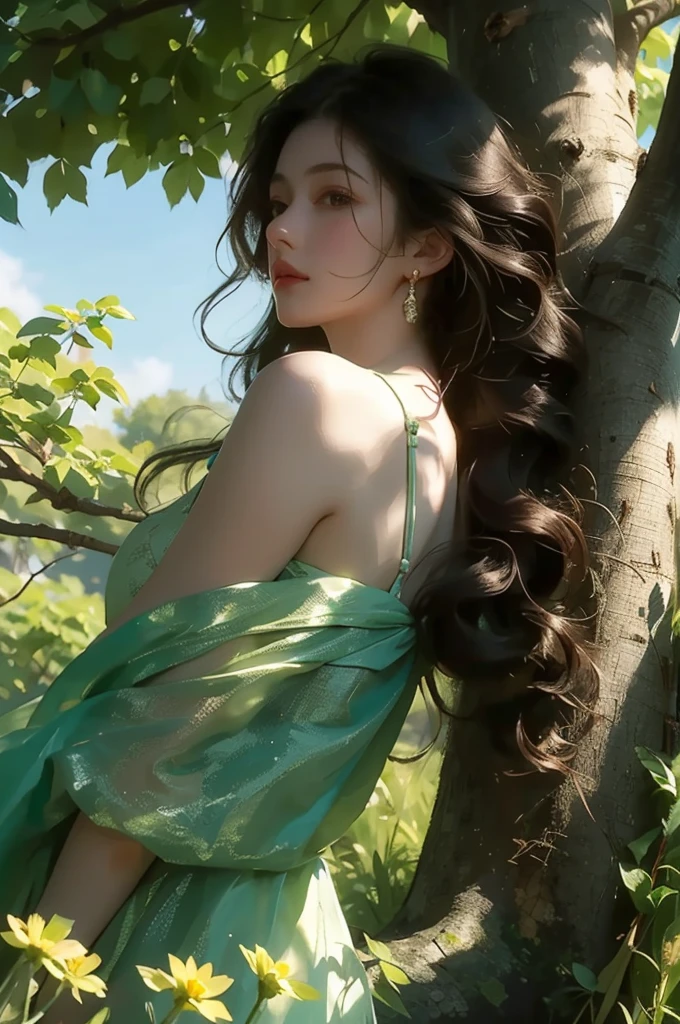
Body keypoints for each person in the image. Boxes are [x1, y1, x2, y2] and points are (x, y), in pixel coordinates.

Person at [0, 42, 598, 1023]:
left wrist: (37, 982)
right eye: (279, 198)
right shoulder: (447, 452)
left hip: (150, 944)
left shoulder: (314, 400)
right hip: (289, 956)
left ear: (428, 245)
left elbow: (147, 755)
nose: (283, 227)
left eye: (333, 197)